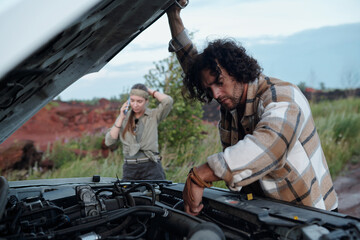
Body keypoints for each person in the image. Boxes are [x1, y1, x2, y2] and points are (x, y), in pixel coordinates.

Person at [166, 1, 338, 215]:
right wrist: (173, 14)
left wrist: (199, 175)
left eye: (219, 83)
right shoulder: (231, 100)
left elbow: (269, 146)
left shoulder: (281, 96)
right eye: (209, 89)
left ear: (237, 71)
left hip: (311, 216)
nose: (215, 95)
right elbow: (194, 66)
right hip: (266, 213)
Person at [105, 83, 173, 180]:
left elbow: (168, 101)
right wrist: (120, 117)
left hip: (151, 167)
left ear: (146, 101)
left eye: (139, 101)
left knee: (156, 194)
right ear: (128, 101)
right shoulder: (124, 118)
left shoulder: (154, 115)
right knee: (128, 195)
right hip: (130, 168)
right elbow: (109, 141)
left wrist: (149, 91)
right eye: (132, 101)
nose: (135, 105)